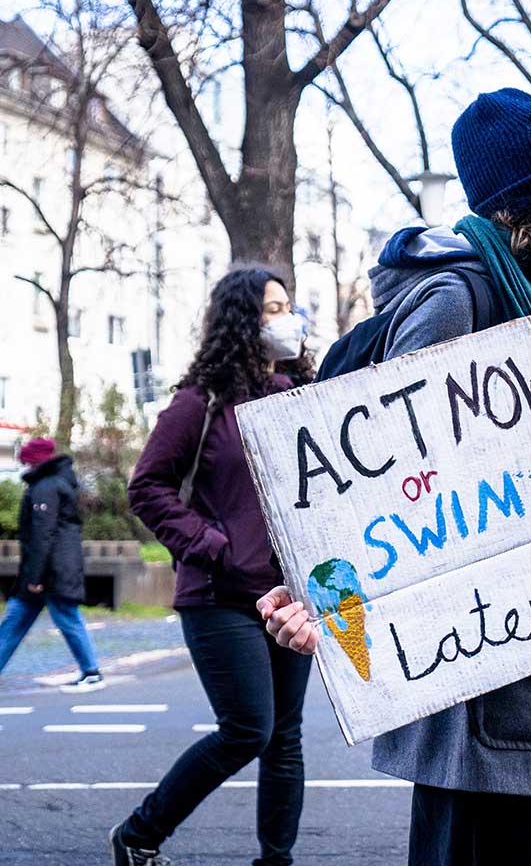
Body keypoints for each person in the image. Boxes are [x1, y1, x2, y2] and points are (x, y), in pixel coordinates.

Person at [259, 87, 531, 865]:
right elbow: (372, 475)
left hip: (528, 660)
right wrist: (325, 603)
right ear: (530, 205)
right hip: (480, 677)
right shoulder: (462, 297)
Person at [110, 266, 316, 866]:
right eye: (270, 310)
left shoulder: (297, 398)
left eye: (288, 307)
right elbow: (147, 487)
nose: (286, 320)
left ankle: (276, 861)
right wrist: (212, 544)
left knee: (286, 740)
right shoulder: (198, 404)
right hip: (220, 595)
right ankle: (139, 835)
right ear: (240, 322)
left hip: (289, 596)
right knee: (249, 729)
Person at [0, 437, 103, 690]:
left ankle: (91, 671)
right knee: (15, 620)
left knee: (65, 618)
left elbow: (42, 534)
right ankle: (90, 671)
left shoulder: (45, 488)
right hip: (52, 568)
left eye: (25, 461)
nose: (23, 466)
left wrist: (35, 578)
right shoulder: (57, 484)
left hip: (51, 572)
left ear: (35, 462)